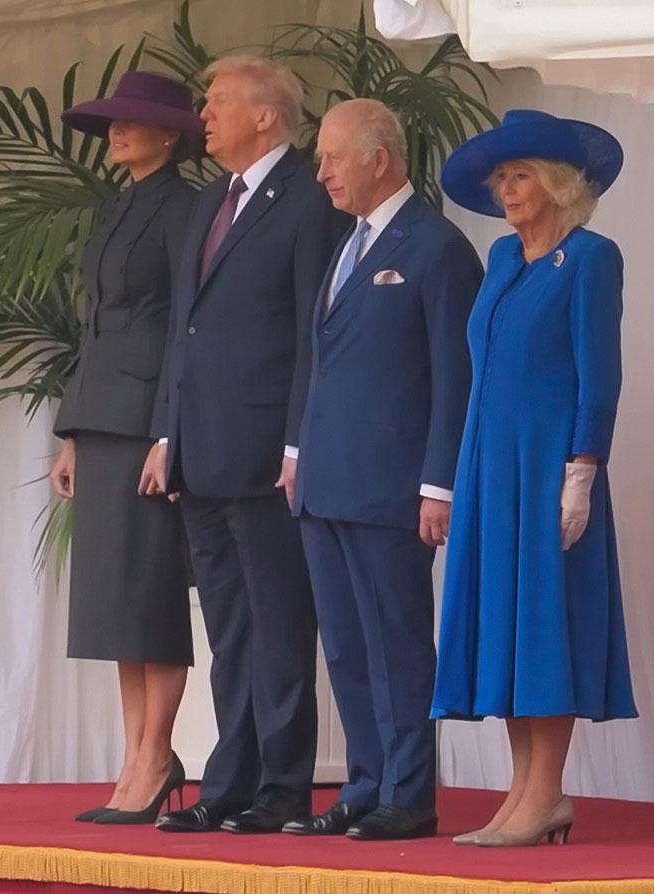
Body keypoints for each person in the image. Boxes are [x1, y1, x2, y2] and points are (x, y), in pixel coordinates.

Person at [149, 56, 350, 835]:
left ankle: (283, 787)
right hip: (199, 451)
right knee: (230, 632)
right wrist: (166, 432)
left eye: (219, 101)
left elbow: (314, 335)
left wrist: (298, 443)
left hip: (267, 453)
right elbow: (185, 328)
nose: (204, 114)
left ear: (266, 116)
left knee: (278, 626)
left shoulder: (308, 199)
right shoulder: (211, 200)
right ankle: (229, 783)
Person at [431, 109, 638, 847]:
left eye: (520, 175)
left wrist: (582, 470)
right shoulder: (501, 257)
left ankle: (546, 792)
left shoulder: (590, 257)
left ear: (557, 183)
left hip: (549, 464)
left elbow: (599, 377)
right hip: (490, 464)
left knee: (545, 625)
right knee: (506, 627)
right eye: (500, 178)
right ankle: (522, 793)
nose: (507, 189)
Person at [281, 99, 483, 841]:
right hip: (326, 482)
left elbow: (455, 375)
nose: (322, 173)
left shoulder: (436, 246)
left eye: (334, 157)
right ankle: (366, 785)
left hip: (391, 486)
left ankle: (408, 792)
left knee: (396, 643)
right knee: (345, 646)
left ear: (380, 158)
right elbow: (323, 361)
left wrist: (438, 483)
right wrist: (297, 454)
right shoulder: (348, 243)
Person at [51, 71, 203, 824]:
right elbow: (97, 326)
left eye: (131, 120)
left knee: (150, 591)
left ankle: (156, 754)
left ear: (169, 134)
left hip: (148, 422)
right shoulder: (113, 208)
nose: (115, 130)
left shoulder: (187, 207)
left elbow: (186, 328)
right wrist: (73, 432)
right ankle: (136, 753)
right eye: (112, 120)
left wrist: (169, 431)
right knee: (115, 600)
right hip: (103, 420)